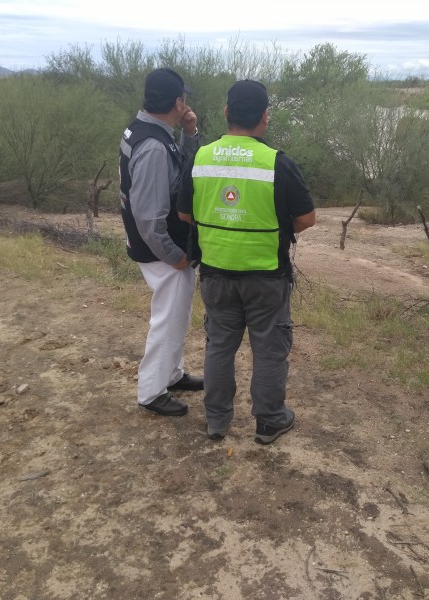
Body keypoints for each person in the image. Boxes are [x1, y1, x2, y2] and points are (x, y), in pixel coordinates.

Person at [177, 79, 316, 444]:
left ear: (226, 113)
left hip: (216, 274)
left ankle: (216, 421)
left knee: (220, 345)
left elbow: (184, 214)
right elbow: (306, 220)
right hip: (266, 276)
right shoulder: (277, 163)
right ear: (265, 118)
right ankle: (270, 421)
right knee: (269, 350)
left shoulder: (201, 157)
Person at [118, 67, 204, 417]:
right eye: (184, 98)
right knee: (168, 319)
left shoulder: (147, 130)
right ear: (177, 101)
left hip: (158, 248)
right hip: (163, 252)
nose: (186, 103)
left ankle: (171, 373)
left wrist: (190, 133)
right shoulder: (153, 145)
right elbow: (149, 216)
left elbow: (182, 169)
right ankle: (152, 391)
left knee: (176, 316)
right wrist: (175, 256)